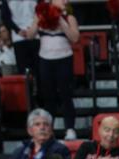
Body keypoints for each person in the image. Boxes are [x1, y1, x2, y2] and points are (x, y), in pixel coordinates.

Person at [25, 0, 80, 141]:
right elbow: (30, 35)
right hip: (45, 59)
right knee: (49, 97)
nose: (64, 1)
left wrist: (60, 19)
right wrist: (39, 19)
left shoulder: (69, 17)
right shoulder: (40, 16)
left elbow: (75, 38)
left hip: (64, 59)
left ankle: (70, 128)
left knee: (65, 94)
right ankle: (49, 130)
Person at [1, 0, 38, 76]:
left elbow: (41, 12)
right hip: (19, 38)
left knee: (38, 70)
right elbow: (5, 17)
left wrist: (33, 29)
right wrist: (17, 30)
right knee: (23, 71)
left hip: (35, 35)